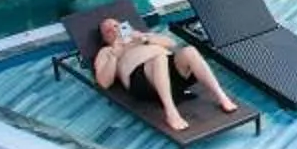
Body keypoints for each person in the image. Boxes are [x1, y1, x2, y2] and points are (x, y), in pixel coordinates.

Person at [93, 14, 244, 134]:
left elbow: (171, 43)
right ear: (104, 39)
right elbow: (104, 82)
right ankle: (171, 112)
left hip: (171, 73)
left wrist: (144, 38)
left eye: (116, 25)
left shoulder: (141, 36)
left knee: (190, 51)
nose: (114, 29)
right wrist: (115, 54)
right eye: (108, 30)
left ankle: (222, 97)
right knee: (159, 59)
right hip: (142, 82)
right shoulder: (107, 51)